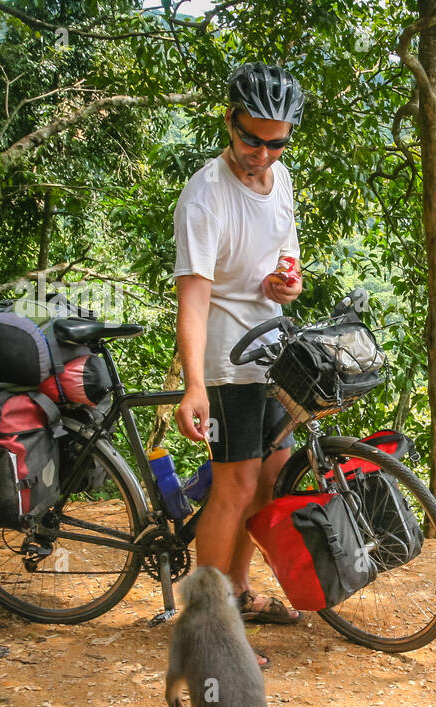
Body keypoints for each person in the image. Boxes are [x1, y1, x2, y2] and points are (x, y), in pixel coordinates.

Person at [172, 63, 306, 638]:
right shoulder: (206, 195)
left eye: (276, 142)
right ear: (229, 121)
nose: (262, 153)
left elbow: (284, 264)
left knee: (274, 477)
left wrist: (286, 286)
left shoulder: (282, 182)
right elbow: (195, 295)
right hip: (227, 357)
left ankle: (239, 590)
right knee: (235, 486)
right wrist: (195, 382)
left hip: (272, 349)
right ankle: (206, 625)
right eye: (251, 138)